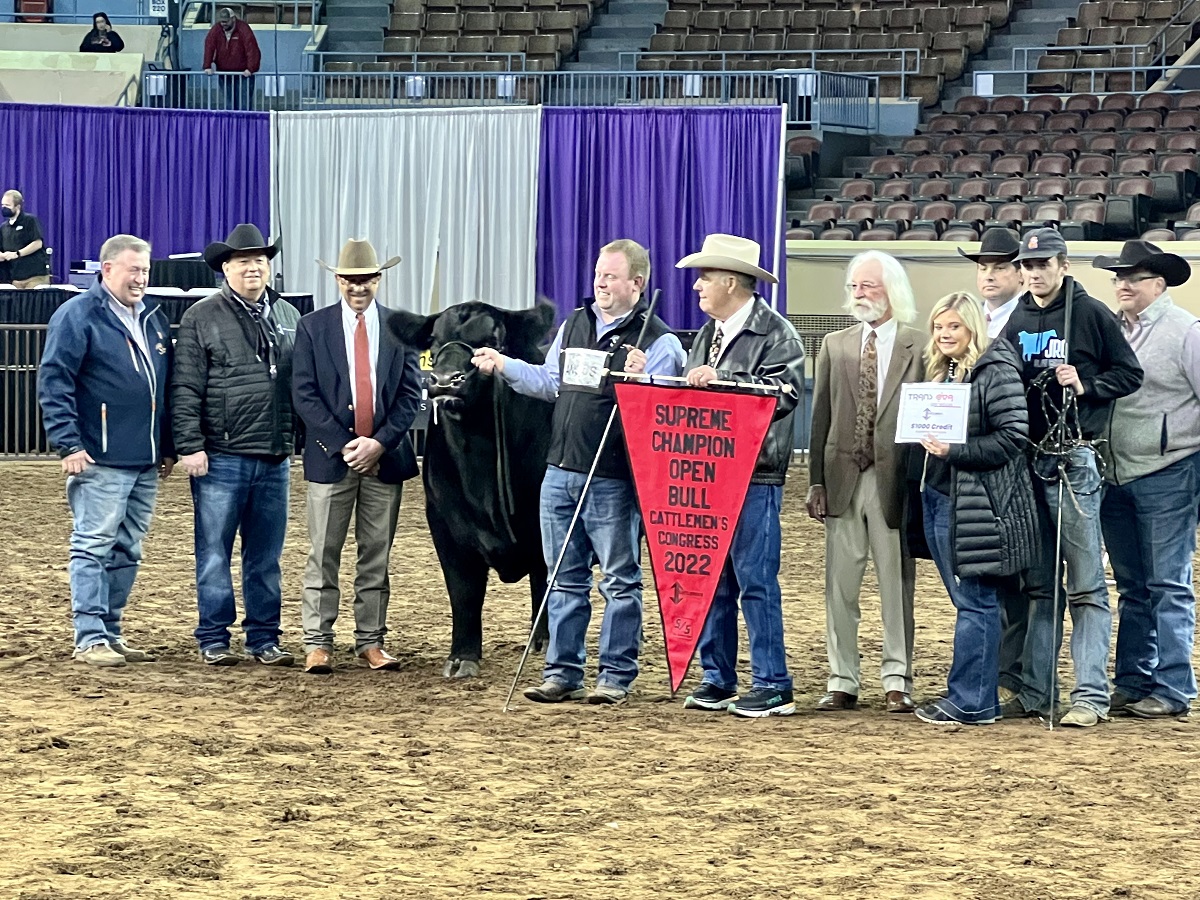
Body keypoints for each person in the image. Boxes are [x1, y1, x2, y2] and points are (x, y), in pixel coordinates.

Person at [472, 239, 684, 705]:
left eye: (610, 276)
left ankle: (615, 676)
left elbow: (664, 413)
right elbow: (550, 383)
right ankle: (562, 671)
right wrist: (504, 365)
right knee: (561, 576)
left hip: (613, 479)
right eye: (598, 274)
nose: (600, 283)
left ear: (637, 283)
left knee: (618, 580)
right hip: (560, 473)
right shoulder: (575, 324)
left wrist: (643, 380)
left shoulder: (660, 341)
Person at [1001, 228, 1143, 727]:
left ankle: (1089, 696)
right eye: (1028, 265)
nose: (1034, 273)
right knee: (1040, 585)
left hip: (1075, 457)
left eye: (1042, 264)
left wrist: (1086, 384)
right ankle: (1037, 692)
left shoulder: (1090, 313)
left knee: (1085, 584)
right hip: (1029, 458)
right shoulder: (1017, 316)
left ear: (1062, 265)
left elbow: (1130, 374)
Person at [663, 234, 805, 718]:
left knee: (755, 580)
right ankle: (717, 676)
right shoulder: (709, 334)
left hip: (754, 475)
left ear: (730, 281)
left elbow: (783, 395)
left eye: (705, 277)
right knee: (713, 579)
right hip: (711, 473)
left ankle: (773, 682)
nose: (698, 286)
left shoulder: (777, 333)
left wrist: (721, 381)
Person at [37, 234, 174, 667]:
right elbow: (54, 382)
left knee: (128, 548)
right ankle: (89, 636)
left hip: (145, 459)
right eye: (133, 270)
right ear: (107, 269)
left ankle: (110, 632)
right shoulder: (77, 315)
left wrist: (166, 446)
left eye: (146, 271)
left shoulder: (153, 317)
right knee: (93, 544)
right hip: (98, 457)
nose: (140, 279)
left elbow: (163, 390)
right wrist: (69, 443)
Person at [291, 239, 423, 675]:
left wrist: (379, 442)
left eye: (365, 279)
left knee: (376, 554)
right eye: (350, 279)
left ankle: (370, 640)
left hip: (383, 461)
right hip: (332, 459)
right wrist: (345, 444)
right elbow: (304, 395)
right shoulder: (313, 328)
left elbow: (409, 395)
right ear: (337, 280)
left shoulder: (399, 328)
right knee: (323, 552)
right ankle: (317, 642)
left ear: (378, 279)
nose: (358, 287)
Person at [172, 224, 299, 668]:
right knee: (214, 553)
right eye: (243, 260)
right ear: (225, 267)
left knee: (266, 557)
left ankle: (264, 637)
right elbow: (185, 387)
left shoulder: (288, 317)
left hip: (274, 456)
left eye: (261, 260)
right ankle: (213, 636)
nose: (253, 267)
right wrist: (189, 444)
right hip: (221, 456)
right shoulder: (201, 317)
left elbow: (301, 386)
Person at [807, 250, 926, 714]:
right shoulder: (834, 345)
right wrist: (816, 479)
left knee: (897, 584)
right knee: (839, 585)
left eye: (868, 286)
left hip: (894, 479)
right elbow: (820, 418)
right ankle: (842, 678)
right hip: (841, 479)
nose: (859, 294)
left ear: (891, 291)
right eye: (854, 286)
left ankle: (897, 677)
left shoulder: (920, 345)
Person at [911, 292, 1035, 725]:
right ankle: (970, 693)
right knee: (969, 600)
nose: (944, 334)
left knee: (976, 601)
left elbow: (1013, 436)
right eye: (939, 327)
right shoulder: (943, 370)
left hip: (975, 501)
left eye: (954, 327)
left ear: (972, 329)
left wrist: (954, 450)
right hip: (940, 495)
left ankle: (973, 700)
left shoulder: (995, 370)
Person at [1093, 240, 1200, 719]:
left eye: (1132, 277)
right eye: (1118, 278)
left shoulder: (1187, 332)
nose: (1122, 285)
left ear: (1158, 284)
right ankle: (1134, 681)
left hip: (1170, 470)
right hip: (1115, 472)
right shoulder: (1110, 330)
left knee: (1168, 584)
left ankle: (1174, 687)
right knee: (1133, 585)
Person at [957, 226, 1028, 707]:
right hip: (975, 467)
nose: (989, 275)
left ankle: (1014, 673)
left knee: (1021, 576)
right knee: (991, 576)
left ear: (1019, 274)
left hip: (1013, 464)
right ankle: (999, 672)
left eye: (1000, 266)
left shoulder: (1026, 322)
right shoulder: (969, 322)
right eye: (983, 267)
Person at [203, 7, 260, 110]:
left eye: (226, 21)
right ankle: (231, 125)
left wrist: (251, 69)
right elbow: (209, 45)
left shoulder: (244, 29)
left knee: (244, 105)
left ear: (233, 19)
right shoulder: (216, 29)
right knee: (229, 106)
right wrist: (207, 65)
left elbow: (252, 49)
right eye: (221, 21)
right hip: (224, 74)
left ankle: (244, 126)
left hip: (243, 75)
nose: (223, 24)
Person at [1, 190, 51, 288]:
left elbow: (37, 243)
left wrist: (17, 254)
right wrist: (3, 256)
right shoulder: (3, 227)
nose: (4, 208)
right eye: (3, 205)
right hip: (15, 278)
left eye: (7, 205)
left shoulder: (30, 221)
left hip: (35, 277)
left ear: (17, 206)